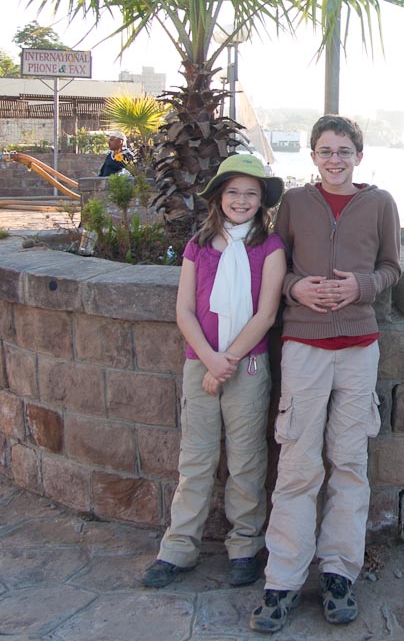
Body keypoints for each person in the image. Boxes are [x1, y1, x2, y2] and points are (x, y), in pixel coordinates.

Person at [250, 116, 401, 634]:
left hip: (359, 347)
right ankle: (283, 579)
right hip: (304, 346)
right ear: (313, 156)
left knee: (350, 462)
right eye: (325, 151)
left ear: (359, 155)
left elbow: (391, 267)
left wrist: (362, 287)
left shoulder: (380, 204)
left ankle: (339, 573)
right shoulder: (295, 203)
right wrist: (296, 289)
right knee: (297, 463)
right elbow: (275, 265)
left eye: (343, 151)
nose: (335, 159)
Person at [141, 153, 286, 590]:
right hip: (200, 363)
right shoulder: (199, 245)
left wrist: (228, 361)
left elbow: (265, 315)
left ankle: (244, 545)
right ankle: (178, 547)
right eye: (233, 192)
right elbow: (184, 310)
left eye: (250, 194)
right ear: (219, 197)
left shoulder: (270, 248)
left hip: (248, 365)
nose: (241, 201)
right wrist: (210, 359)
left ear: (261, 201)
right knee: (196, 459)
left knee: (246, 460)